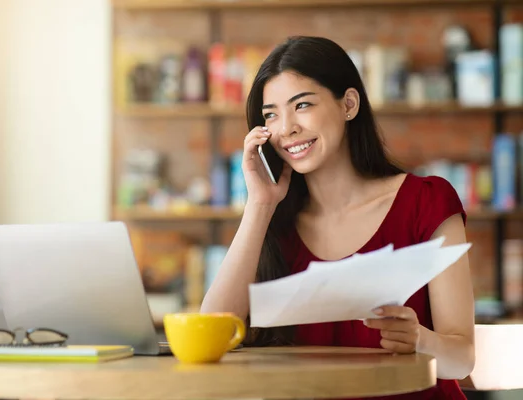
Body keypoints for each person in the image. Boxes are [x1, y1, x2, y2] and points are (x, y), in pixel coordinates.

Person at [200, 36, 475, 399]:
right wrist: (260, 206)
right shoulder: (274, 223)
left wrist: (420, 339)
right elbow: (211, 334)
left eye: (302, 105)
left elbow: (463, 360)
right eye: (271, 114)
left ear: (348, 104)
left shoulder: (426, 201)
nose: (286, 129)